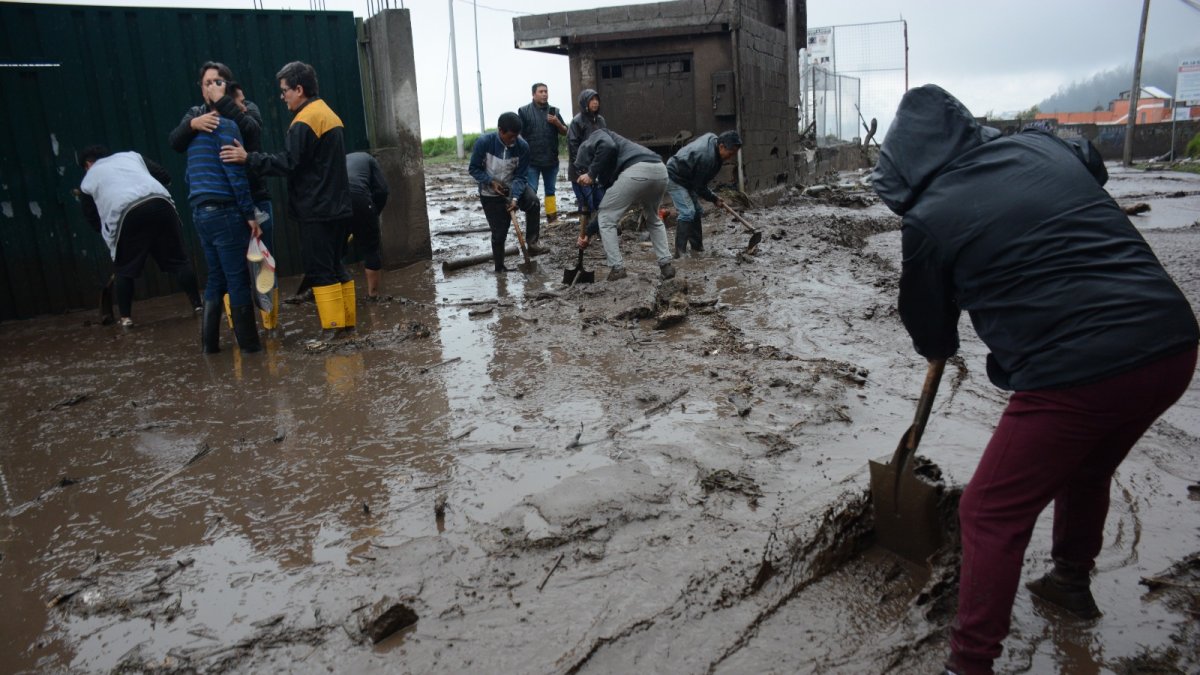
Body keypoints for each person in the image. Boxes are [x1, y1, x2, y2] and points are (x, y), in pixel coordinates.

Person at [871, 84, 1199, 675]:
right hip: (1172, 346)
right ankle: (1070, 581)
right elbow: (1088, 161)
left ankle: (968, 664)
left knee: (989, 512)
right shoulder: (1040, 151)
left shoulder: (927, 218)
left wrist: (940, 339)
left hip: (1077, 372)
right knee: (1089, 466)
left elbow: (928, 328)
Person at [220, 61, 355, 339]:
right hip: (338, 207)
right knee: (337, 266)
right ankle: (347, 324)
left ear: (299, 89)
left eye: (285, 91)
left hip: (316, 209)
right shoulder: (329, 113)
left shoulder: (305, 120)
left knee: (321, 269)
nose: (282, 97)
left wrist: (249, 158)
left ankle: (333, 331)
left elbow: (288, 162)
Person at [168, 63, 279, 332]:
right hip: (226, 207)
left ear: (227, 85)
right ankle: (240, 330)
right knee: (229, 274)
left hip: (254, 200)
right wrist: (193, 124)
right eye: (206, 83)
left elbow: (252, 132)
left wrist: (224, 104)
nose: (211, 87)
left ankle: (270, 326)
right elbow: (175, 141)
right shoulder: (196, 115)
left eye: (217, 82)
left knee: (262, 268)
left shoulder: (245, 107)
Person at [78, 145, 202, 328]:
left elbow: (93, 219)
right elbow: (164, 176)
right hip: (161, 204)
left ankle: (126, 318)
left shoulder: (88, 180)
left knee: (125, 269)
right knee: (179, 261)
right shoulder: (131, 157)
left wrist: (112, 237)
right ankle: (198, 306)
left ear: (88, 164)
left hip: (127, 214)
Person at [183, 78, 263, 354]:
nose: (243, 107)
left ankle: (209, 347)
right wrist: (250, 215)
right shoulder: (227, 127)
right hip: (226, 212)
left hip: (200, 213)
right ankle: (251, 349)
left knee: (215, 278)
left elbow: (188, 176)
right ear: (227, 100)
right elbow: (235, 176)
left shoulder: (194, 134)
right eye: (239, 102)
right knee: (237, 279)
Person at [574, 129, 675, 281]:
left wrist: (591, 174)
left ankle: (617, 268)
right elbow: (606, 207)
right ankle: (666, 265)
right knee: (653, 218)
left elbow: (607, 146)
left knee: (607, 220)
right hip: (660, 170)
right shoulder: (611, 163)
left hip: (637, 171)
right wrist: (588, 233)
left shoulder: (597, 135)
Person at [467, 112, 540, 273]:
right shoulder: (484, 143)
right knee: (499, 234)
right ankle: (500, 268)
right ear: (500, 130)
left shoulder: (523, 147)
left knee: (533, 202)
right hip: (490, 192)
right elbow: (473, 168)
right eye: (510, 136)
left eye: (516, 136)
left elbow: (521, 176)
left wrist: (514, 197)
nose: (513, 140)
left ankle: (533, 243)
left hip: (513, 186)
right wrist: (490, 182)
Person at [666, 130, 741, 257]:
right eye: (731, 152)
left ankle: (697, 248)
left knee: (697, 210)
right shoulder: (707, 158)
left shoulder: (714, 140)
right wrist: (714, 198)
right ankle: (679, 253)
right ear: (721, 146)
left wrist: (714, 197)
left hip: (688, 176)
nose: (731, 156)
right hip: (675, 176)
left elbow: (699, 184)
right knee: (687, 212)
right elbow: (699, 187)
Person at [517, 82, 567, 231]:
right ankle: (532, 219)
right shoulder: (524, 111)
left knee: (550, 190)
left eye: (546, 91)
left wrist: (557, 122)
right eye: (541, 91)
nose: (544, 94)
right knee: (531, 191)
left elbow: (565, 131)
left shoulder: (554, 111)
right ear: (533, 94)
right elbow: (518, 134)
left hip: (551, 160)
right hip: (531, 161)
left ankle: (552, 218)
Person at [345, 151, 389, 298]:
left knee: (334, 250)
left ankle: (336, 294)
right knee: (371, 249)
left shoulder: (344, 159)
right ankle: (373, 295)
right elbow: (382, 190)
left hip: (333, 201)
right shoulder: (370, 160)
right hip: (359, 199)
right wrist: (374, 212)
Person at [567, 88, 607, 241]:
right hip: (580, 169)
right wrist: (581, 168)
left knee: (601, 200)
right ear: (585, 102)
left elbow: (605, 142)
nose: (595, 102)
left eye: (597, 99)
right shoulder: (577, 122)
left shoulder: (601, 120)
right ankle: (584, 232)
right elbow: (573, 145)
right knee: (586, 203)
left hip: (596, 168)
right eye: (591, 100)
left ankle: (599, 229)